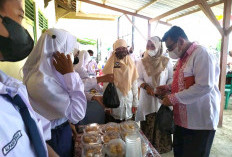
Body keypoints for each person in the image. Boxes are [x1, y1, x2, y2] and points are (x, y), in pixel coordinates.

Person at [0, 0, 58, 156]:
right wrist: (71, 77)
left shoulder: (11, 88)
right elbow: (76, 111)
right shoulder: (41, 80)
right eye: (20, 15)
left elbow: (35, 138)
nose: (23, 27)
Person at [157, 26, 220, 157]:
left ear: (180, 41)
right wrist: (169, 87)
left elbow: (204, 86)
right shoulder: (183, 58)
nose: (169, 51)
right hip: (182, 120)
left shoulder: (201, 53)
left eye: (170, 47)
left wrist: (173, 98)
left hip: (199, 123)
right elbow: (184, 82)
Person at [23, 28, 87, 157]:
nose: (70, 56)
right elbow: (78, 113)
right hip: (53, 137)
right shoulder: (41, 82)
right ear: (58, 52)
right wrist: (70, 74)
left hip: (60, 129)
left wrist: (68, 123)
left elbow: (62, 108)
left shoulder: (51, 75)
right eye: (67, 51)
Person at [135, 36, 173, 154]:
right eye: (148, 45)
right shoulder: (141, 62)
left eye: (153, 46)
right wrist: (146, 87)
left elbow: (171, 78)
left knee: (162, 123)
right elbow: (138, 79)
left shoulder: (166, 61)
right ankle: (148, 151)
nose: (150, 48)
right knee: (148, 125)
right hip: (147, 99)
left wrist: (166, 87)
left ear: (159, 46)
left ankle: (161, 149)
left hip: (162, 100)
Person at [73, 49, 114, 125]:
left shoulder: (79, 68)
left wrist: (93, 96)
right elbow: (76, 87)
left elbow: (79, 88)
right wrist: (99, 79)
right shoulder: (78, 69)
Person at [103, 39, 139, 122]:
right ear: (115, 50)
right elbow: (106, 84)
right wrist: (107, 106)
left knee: (127, 130)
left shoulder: (130, 63)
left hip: (128, 101)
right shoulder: (112, 63)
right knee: (114, 130)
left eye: (123, 48)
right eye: (118, 49)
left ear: (126, 49)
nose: (121, 51)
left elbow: (134, 83)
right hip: (114, 100)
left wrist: (135, 103)